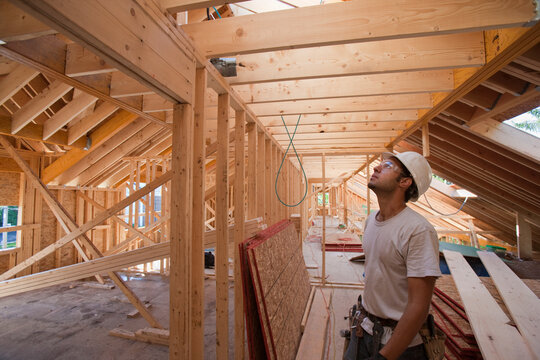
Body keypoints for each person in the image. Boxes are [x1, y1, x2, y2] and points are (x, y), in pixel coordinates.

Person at [344, 151, 442, 360]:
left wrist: (386, 356)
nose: (377, 167)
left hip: (401, 345)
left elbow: (419, 306)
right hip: (364, 330)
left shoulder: (417, 230)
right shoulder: (371, 220)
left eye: (387, 165)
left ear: (405, 182)